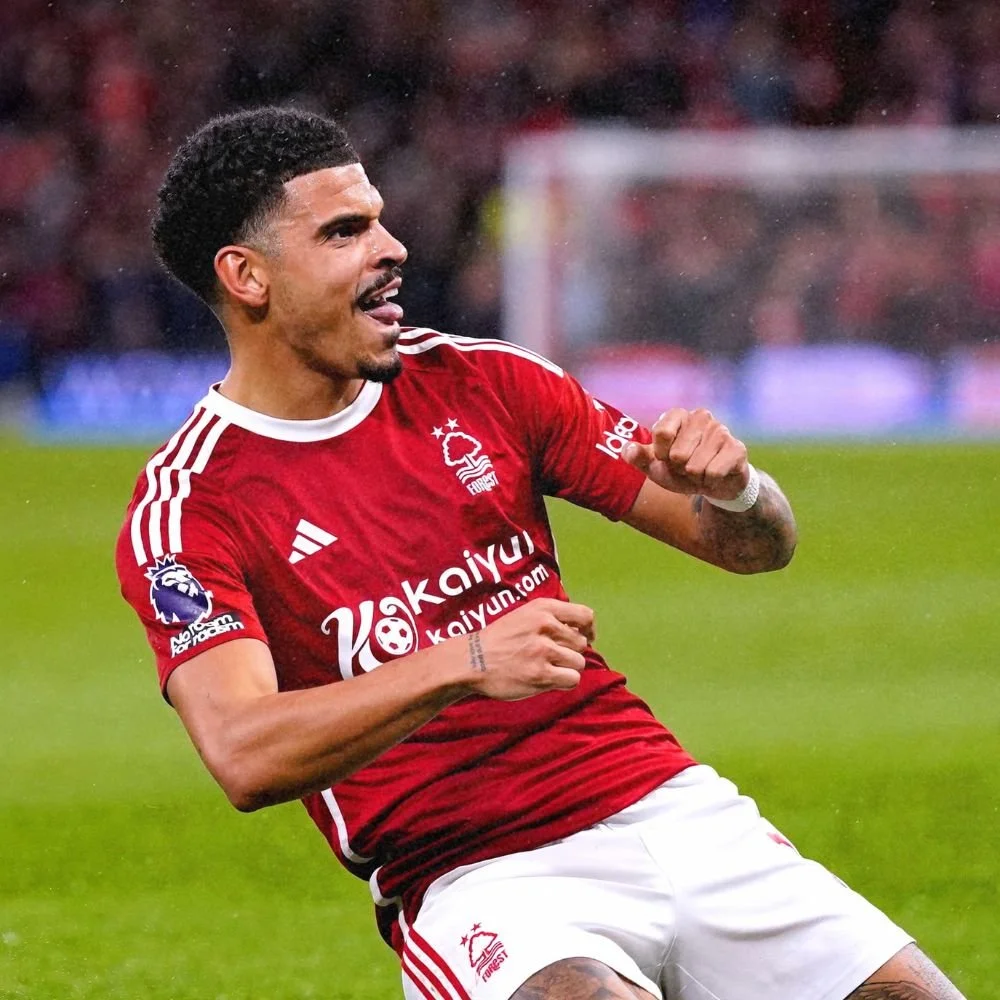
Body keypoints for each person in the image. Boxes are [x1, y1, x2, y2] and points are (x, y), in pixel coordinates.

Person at [115, 107, 965, 1000]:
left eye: (379, 217)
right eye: (344, 232)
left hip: (671, 806)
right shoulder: (190, 506)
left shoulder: (486, 381)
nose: (391, 247)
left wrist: (735, 488)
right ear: (246, 276)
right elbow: (245, 753)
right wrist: (465, 662)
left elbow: (756, 549)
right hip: (481, 876)